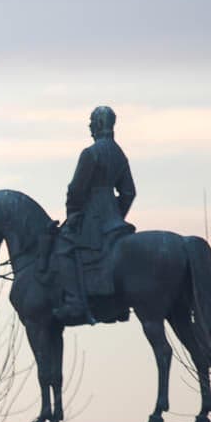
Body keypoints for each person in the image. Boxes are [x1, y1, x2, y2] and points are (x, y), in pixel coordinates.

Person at [54, 105, 136, 324]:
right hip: (113, 219)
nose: (90, 126)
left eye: (91, 122)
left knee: (63, 249)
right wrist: (117, 216)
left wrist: (72, 214)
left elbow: (76, 189)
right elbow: (129, 192)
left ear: (99, 124)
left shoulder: (91, 153)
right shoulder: (119, 154)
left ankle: (74, 302)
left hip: (92, 217)